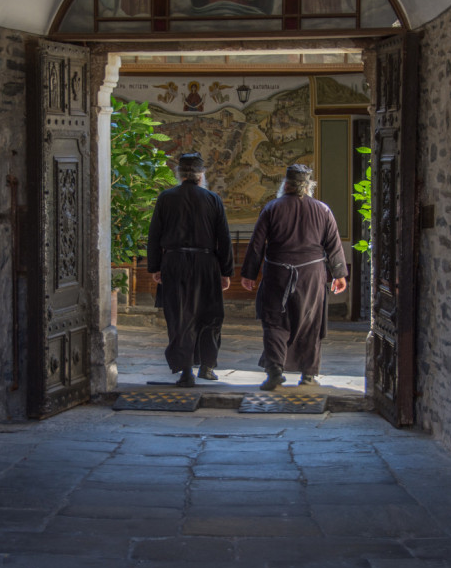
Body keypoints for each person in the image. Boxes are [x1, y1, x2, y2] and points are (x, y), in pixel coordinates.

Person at [240, 164, 348, 390]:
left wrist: (249, 274)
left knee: (274, 321)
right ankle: (308, 374)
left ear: (285, 185)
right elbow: (334, 245)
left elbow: (256, 245)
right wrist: (339, 274)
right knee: (310, 322)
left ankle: (274, 372)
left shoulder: (271, 208)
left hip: (278, 273)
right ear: (308, 187)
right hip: (312, 275)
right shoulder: (323, 210)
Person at [147, 152, 234, 387]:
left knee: (179, 316)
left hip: (174, 263)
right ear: (201, 175)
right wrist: (226, 271)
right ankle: (207, 367)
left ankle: (186, 371)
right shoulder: (212, 199)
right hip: (206, 264)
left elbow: (154, 235)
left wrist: (155, 267)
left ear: (179, 174)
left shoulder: (166, 198)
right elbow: (223, 238)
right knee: (210, 315)